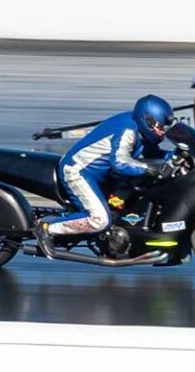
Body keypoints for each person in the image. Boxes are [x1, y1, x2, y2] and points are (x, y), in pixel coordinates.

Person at [34, 94, 175, 258]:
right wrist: (151, 168)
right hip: (78, 171)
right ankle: (47, 228)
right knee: (99, 220)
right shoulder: (128, 130)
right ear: (148, 120)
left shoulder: (137, 127)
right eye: (160, 127)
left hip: (99, 174)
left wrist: (176, 155)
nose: (162, 132)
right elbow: (120, 163)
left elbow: (150, 152)